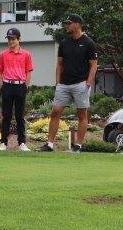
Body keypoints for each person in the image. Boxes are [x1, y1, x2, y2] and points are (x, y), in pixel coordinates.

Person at [40, 13, 98, 153]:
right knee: (55, 112)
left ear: (77, 24)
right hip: (64, 84)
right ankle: (49, 144)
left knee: (82, 115)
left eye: (69, 23)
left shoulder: (89, 43)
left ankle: (78, 145)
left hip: (81, 84)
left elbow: (94, 65)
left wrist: (88, 84)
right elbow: (59, 64)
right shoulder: (64, 43)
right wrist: (58, 83)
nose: (67, 25)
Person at [0, 27, 34, 151]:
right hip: (7, 85)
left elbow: (28, 72)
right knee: (6, 116)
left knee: (20, 116)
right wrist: (2, 85)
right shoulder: (3, 54)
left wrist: (25, 86)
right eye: (9, 39)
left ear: (19, 39)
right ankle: (3, 143)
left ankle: (22, 143)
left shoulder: (26, 54)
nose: (10, 41)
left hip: (20, 85)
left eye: (13, 39)